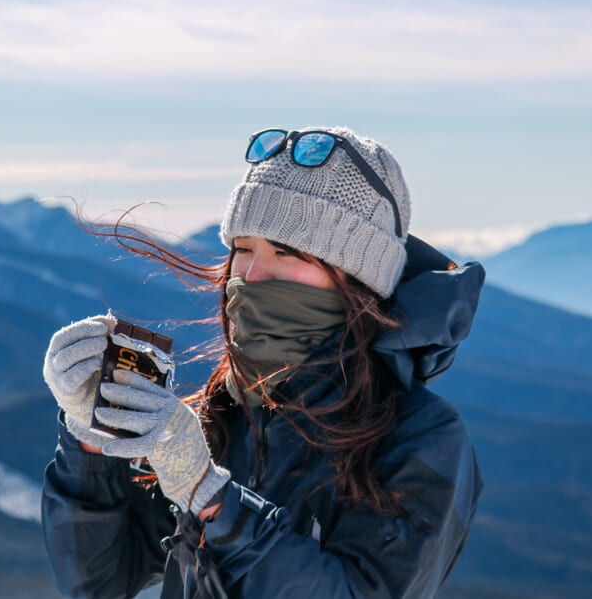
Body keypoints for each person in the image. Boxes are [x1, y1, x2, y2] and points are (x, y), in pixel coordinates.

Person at [41, 127, 486, 598]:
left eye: (285, 253)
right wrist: (90, 442)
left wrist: (214, 503)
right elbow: (105, 583)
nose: (249, 277)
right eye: (244, 248)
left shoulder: (425, 435)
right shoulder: (225, 413)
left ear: (357, 282)